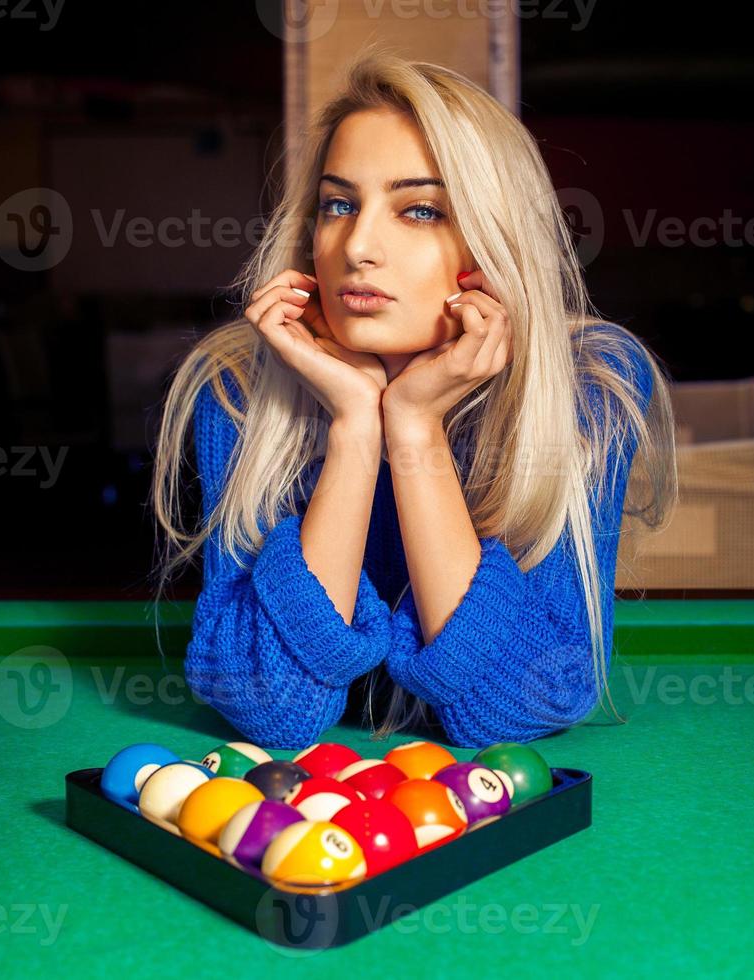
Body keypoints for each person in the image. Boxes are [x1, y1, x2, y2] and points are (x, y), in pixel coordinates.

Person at [151, 48, 678, 749]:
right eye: (338, 205)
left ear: (493, 243)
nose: (358, 245)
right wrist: (354, 430)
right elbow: (267, 707)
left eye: (420, 210)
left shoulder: (589, 385)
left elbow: (529, 704)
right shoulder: (240, 388)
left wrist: (414, 426)